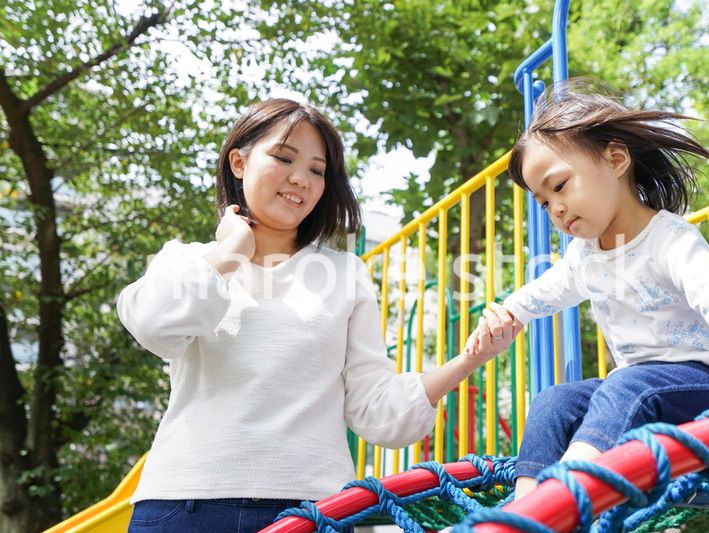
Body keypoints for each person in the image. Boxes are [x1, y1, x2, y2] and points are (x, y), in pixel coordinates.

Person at [118, 98, 501, 532]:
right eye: (283, 157)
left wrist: (470, 358)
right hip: (184, 504)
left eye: (317, 170)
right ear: (238, 162)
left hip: (313, 509)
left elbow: (373, 409)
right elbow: (153, 325)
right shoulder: (188, 261)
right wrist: (229, 254)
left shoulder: (345, 273)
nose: (300, 179)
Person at [464, 80, 709, 500]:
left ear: (617, 159)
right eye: (544, 202)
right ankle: (526, 502)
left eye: (560, 185)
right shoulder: (584, 255)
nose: (556, 208)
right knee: (556, 400)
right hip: (642, 395)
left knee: (626, 386)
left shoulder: (668, 240)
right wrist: (510, 313)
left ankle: (567, 496)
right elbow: (547, 290)